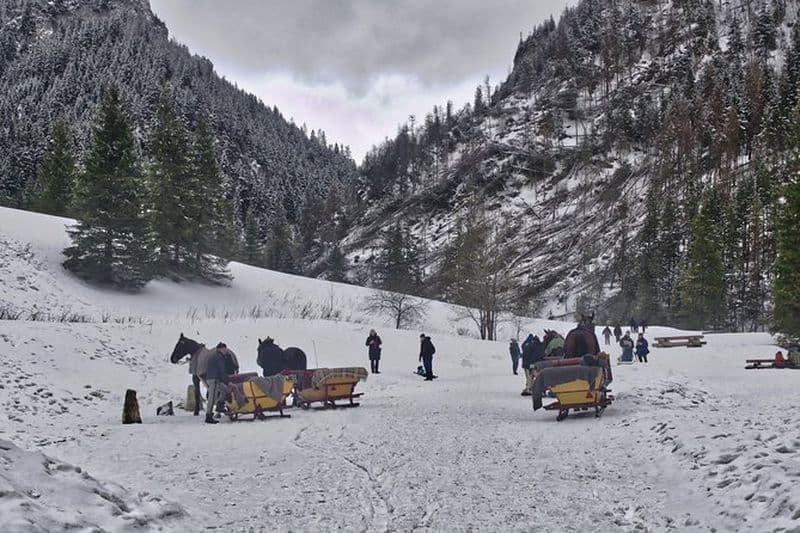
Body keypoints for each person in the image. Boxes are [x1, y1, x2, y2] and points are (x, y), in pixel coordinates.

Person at [204, 348, 229, 424]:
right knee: (212, 397)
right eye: (224, 349)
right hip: (213, 379)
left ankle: (220, 405)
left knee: (225, 389)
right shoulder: (218, 357)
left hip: (214, 379)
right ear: (220, 349)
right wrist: (226, 379)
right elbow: (222, 368)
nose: (225, 351)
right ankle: (208, 416)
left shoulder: (215, 355)